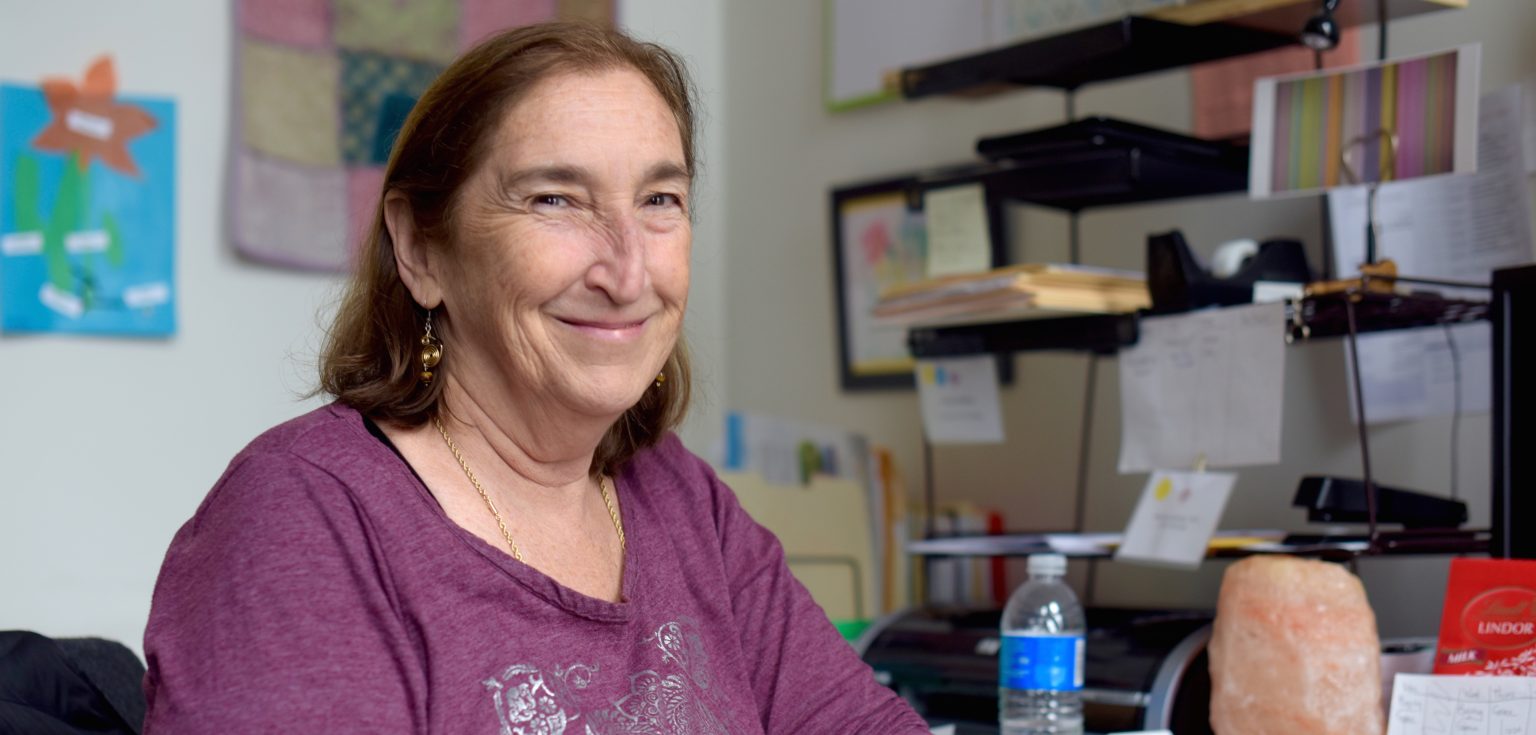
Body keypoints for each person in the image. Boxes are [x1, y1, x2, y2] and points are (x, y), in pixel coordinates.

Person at [141, 21, 930, 735]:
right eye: (556, 198)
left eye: (660, 199)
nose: (627, 272)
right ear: (421, 250)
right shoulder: (304, 516)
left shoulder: (683, 502)